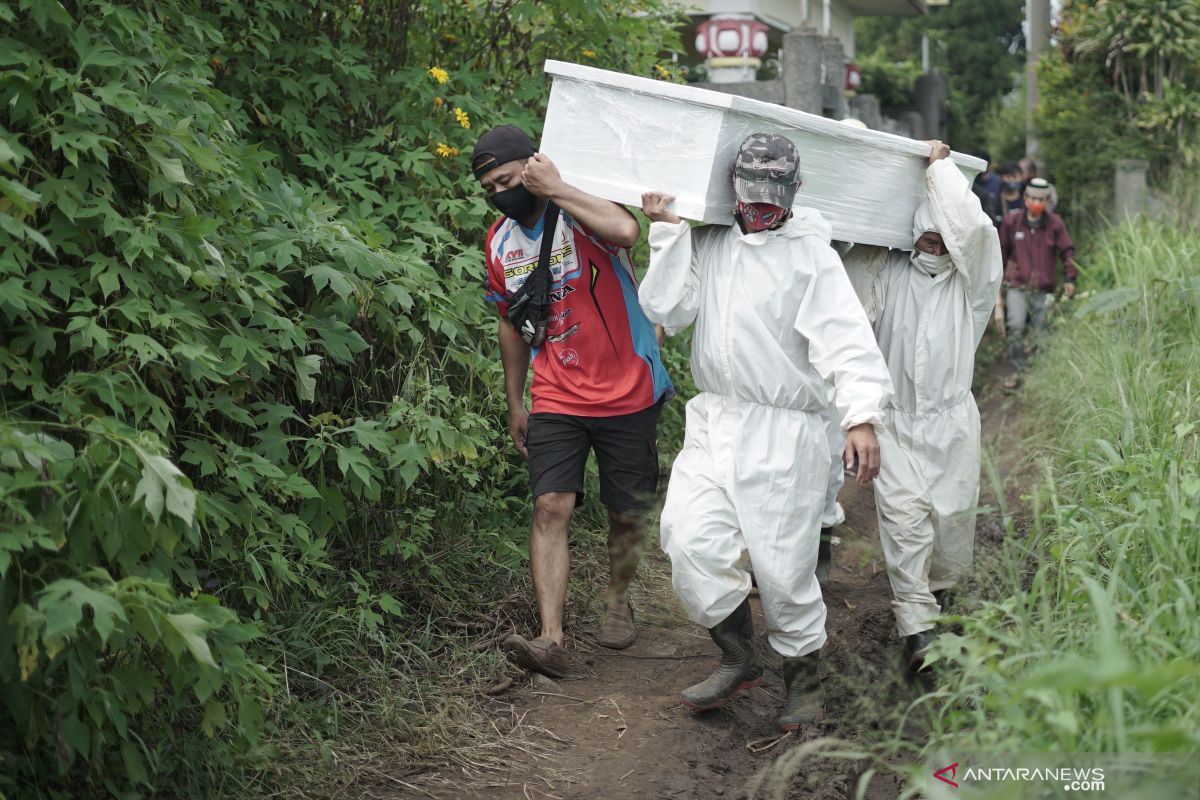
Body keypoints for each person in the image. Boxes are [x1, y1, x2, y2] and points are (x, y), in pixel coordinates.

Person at [639, 133, 893, 731]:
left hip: (787, 434)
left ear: (793, 193)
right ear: (733, 190)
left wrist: (860, 417)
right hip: (715, 418)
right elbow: (667, 309)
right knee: (689, 538)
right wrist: (669, 230)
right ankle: (737, 656)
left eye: (772, 197)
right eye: (751, 196)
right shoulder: (712, 241)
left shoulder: (811, 254)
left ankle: (804, 683)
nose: (760, 209)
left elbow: (847, 340)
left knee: (783, 571)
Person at [472, 125, 674, 677]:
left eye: (508, 180)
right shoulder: (499, 241)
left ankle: (618, 600)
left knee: (624, 508)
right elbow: (510, 328)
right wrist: (517, 401)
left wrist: (556, 188)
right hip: (556, 392)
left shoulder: (579, 207)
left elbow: (627, 231)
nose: (500, 193)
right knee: (549, 506)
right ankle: (551, 638)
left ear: (534, 167)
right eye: (489, 187)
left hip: (627, 387)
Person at [841, 141, 1003, 673]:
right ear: (911, 233)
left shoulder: (973, 287)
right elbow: (848, 268)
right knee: (905, 524)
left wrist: (940, 170)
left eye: (943, 236)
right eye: (926, 233)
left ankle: (945, 611)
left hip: (952, 423)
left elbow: (976, 234)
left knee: (951, 529)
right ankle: (918, 636)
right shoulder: (884, 273)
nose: (935, 242)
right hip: (898, 424)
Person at [999, 176, 1076, 389]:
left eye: (1040, 199)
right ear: (1025, 197)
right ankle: (1017, 371)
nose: (1036, 202)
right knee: (1015, 326)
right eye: (1032, 198)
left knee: (1041, 331)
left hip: (1043, 288)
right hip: (1017, 285)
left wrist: (1070, 277)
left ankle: (1039, 374)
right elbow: (1001, 252)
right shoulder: (1011, 223)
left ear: (1047, 200)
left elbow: (1067, 251)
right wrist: (997, 283)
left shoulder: (1055, 224)